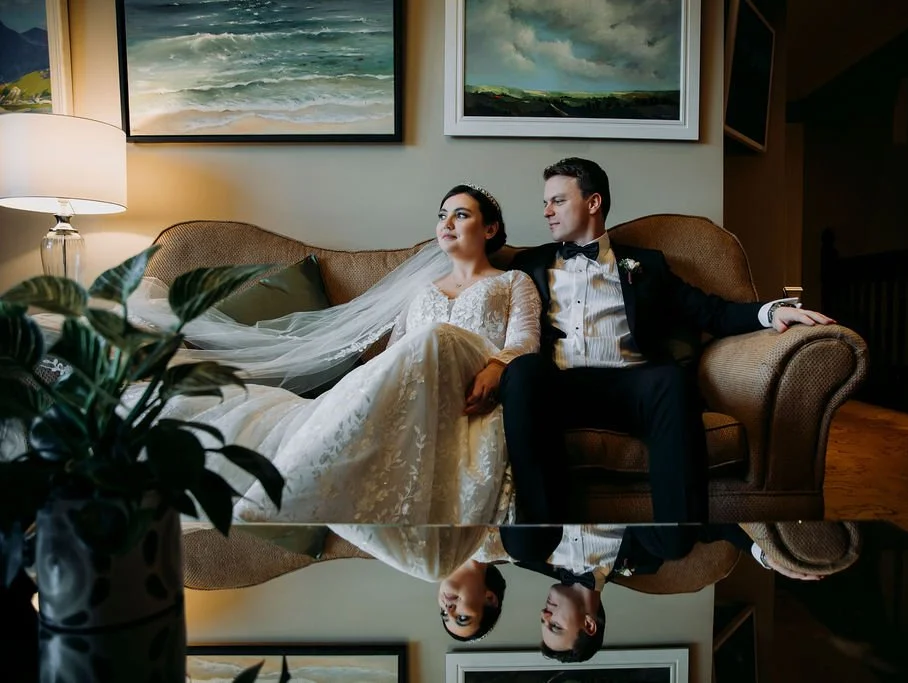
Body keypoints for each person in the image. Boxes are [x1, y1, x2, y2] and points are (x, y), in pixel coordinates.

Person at [118, 184, 540, 525]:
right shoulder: (422, 290)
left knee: (436, 340)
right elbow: (396, 354)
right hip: (418, 389)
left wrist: (498, 367)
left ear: (490, 230)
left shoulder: (512, 281)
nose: (446, 223)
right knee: (289, 417)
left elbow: (525, 340)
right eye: (442, 215)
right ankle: (271, 484)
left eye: (461, 215)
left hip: (474, 391)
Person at [499, 157, 836, 523]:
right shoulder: (528, 264)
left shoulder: (647, 265)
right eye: (545, 203)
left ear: (593, 203)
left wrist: (771, 313)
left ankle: (680, 531)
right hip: (560, 387)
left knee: (670, 379)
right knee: (522, 371)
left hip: (631, 388)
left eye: (557, 201)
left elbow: (711, 311)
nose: (547, 211)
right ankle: (538, 527)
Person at [499, 524, 822, 663]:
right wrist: (765, 555)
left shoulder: (527, 555)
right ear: (589, 624)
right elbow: (711, 527)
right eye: (554, 625)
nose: (544, 615)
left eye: (544, 622)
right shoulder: (645, 559)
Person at [329, 524, 507, 642]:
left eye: (443, 613)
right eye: (462, 618)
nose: (448, 609)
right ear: (490, 598)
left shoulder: (429, 564)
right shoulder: (506, 547)